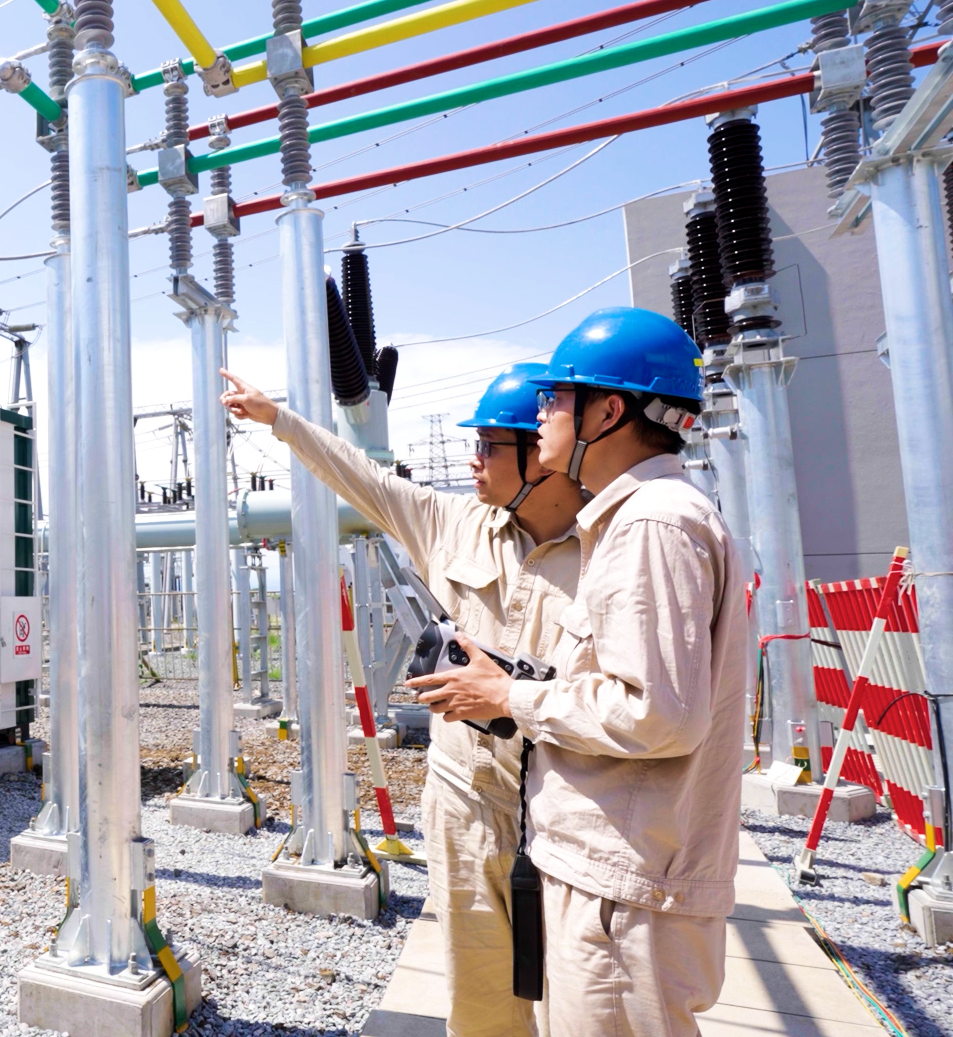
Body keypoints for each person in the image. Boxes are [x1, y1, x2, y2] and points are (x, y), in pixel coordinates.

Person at [410, 307, 748, 1036]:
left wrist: (507, 694)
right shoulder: (642, 518)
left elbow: (657, 714)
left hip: (624, 884)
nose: (542, 415)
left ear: (610, 410)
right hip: (609, 872)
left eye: (556, 398)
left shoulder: (653, 523)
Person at [221, 361, 584, 1037]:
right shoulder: (454, 523)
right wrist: (280, 421)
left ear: (543, 453)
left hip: (564, 804)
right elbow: (363, 477)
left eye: (488, 446)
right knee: (481, 997)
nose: (473, 461)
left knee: (581, 1001)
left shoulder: (612, 547)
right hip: (464, 799)